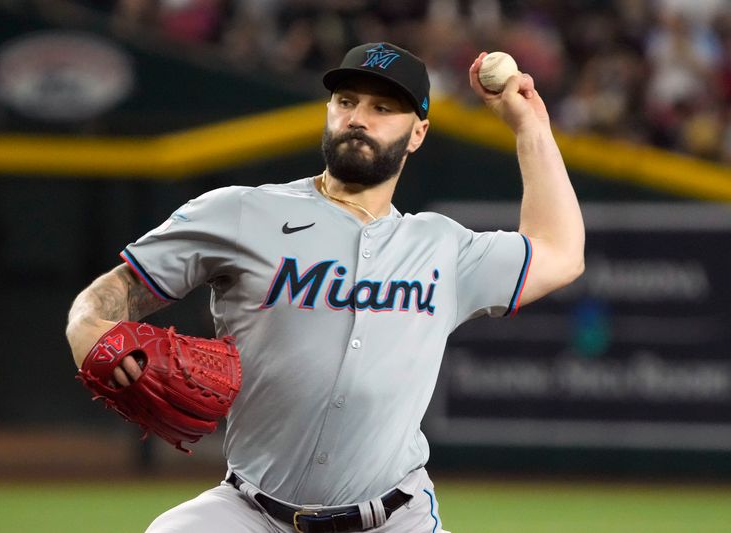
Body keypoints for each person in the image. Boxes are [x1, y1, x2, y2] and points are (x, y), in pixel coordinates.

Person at [66, 42, 585, 533]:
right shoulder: (242, 211)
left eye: (384, 107)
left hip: (394, 517)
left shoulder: (444, 248)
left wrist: (530, 127)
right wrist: (88, 325)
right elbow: (122, 288)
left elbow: (560, 253)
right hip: (250, 512)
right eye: (346, 100)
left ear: (418, 133)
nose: (359, 117)